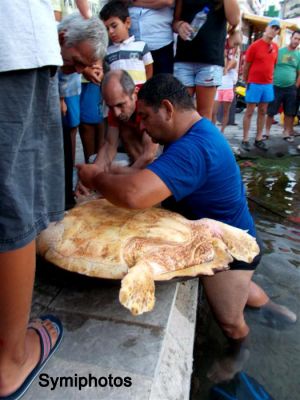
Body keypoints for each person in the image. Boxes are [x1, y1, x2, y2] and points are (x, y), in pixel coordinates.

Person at [77, 73, 296, 381]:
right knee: (241, 287)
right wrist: (109, 175)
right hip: (233, 236)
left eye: (145, 117)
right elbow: (146, 181)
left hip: (229, 250)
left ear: (167, 109)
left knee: (230, 320)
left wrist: (95, 178)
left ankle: (239, 352)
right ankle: (273, 309)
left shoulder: (194, 147)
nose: (141, 126)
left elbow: (133, 195)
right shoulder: (193, 134)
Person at [0, 5, 107, 398]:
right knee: (15, 198)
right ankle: (11, 360)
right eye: (76, 63)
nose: (77, 71)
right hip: (10, 44)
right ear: (61, 39)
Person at [76, 69, 158, 196]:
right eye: (110, 107)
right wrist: (93, 175)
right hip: (138, 159)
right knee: (124, 130)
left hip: (163, 156)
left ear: (135, 93)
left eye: (120, 105)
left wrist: (122, 174)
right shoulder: (116, 105)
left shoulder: (150, 103)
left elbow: (149, 155)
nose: (116, 113)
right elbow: (109, 145)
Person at [172, 0, 240, 119]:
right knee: (180, 111)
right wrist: (179, 25)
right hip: (184, 57)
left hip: (210, 60)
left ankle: (200, 138)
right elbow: (175, 21)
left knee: (204, 114)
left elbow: (234, 20)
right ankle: (186, 138)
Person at [241, 20, 280, 152]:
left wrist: (270, 78)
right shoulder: (254, 46)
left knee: (263, 111)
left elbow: (273, 65)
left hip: (267, 84)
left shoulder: (275, 47)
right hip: (254, 83)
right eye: (272, 27)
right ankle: (245, 139)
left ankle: (258, 139)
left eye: (276, 29)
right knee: (250, 111)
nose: (274, 31)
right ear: (267, 28)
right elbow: (246, 65)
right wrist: (246, 80)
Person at [100, 0, 153, 85]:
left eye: (114, 26)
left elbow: (149, 69)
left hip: (139, 93)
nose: (110, 31)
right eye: (107, 29)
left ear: (127, 23)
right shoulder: (108, 52)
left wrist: (145, 89)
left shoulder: (141, 46)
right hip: (118, 95)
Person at [265, 30, 300, 142]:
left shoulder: (299, 55)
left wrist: (296, 86)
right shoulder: (280, 51)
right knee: (271, 111)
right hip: (276, 86)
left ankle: (286, 132)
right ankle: (267, 132)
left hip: (291, 88)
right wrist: (270, 81)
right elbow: (272, 66)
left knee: (289, 112)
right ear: (291, 38)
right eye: (295, 38)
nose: (297, 41)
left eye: (299, 40)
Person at [128, 0, 175, 75]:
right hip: (133, 44)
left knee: (163, 84)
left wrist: (134, 2)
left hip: (160, 43)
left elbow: (167, 1)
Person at [212, 30, 241, 133]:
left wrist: (226, 66)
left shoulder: (235, 56)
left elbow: (231, 65)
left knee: (225, 112)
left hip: (228, 86)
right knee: (213, 112)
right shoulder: (223, 51)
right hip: (218, 87)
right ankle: (214, 131)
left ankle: (222, 132)